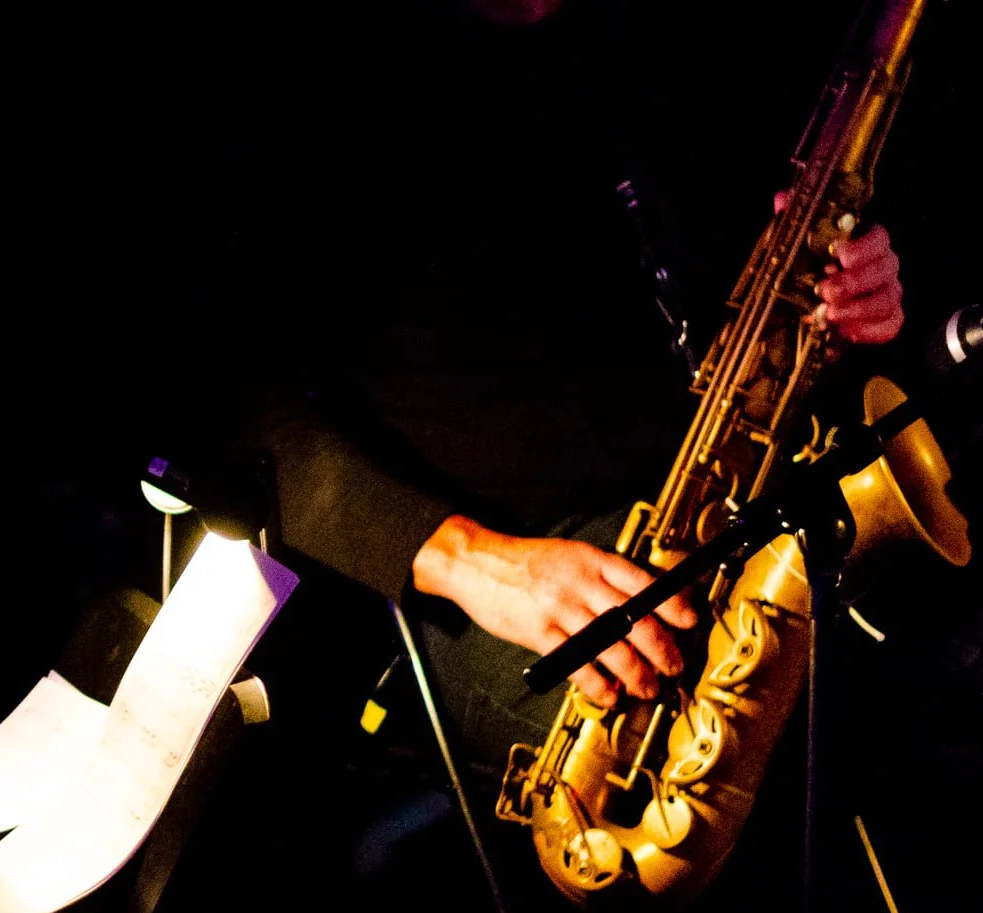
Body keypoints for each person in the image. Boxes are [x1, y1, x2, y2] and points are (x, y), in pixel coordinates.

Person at [187, 0, 911, 769]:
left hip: (710, 487)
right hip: (503, 568)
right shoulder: (308, 78)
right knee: (737, 752)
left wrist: (851, 294)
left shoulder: (644, 36)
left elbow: (736, 268)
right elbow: (229, 407)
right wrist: (473, 561)